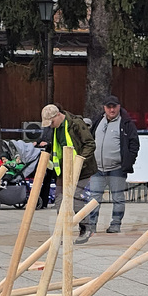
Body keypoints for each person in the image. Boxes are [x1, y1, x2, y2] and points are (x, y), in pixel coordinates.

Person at [38, 104, 98, 243]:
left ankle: (86, 228)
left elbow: (90, 144)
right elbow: (55, 146)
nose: (51, 126)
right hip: (63, 170)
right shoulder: (54, 129)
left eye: (52, 122)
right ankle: (62, 231)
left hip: (81, 169)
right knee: (59, 201)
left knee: (76, 199)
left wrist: (80, 160)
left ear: (58, 115)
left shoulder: (76, 124)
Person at [88, 94, 140, 233]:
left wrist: (128, 162)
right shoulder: (98, 121)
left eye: (114, 107)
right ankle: (91, 225)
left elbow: (134, 144)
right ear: (104, 108)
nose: (112, 110)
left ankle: (116, 224)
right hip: (98, 168)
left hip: (117, 168)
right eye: (109, 107)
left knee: (118, 198)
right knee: (94, 198)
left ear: (119, 107)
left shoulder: (126, 124)